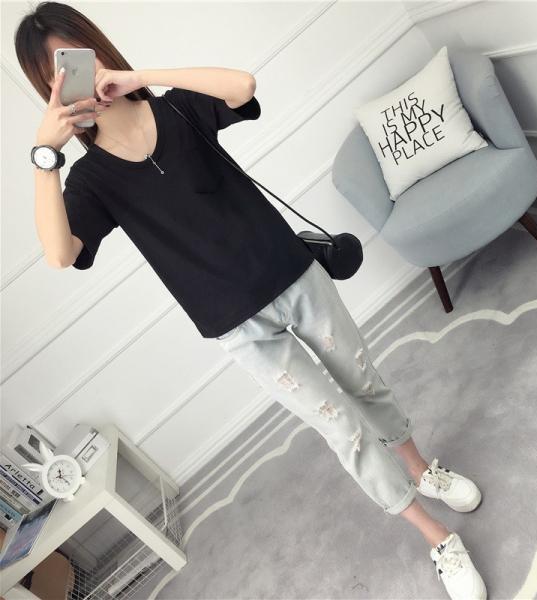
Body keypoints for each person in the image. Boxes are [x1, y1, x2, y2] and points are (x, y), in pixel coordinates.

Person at [16, 3, 486, 598]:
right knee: (341, 427)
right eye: (54, 78)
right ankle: (435, 535)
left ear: (97, 50)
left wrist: (138, 78)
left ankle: (423, 470)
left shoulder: (177, 109)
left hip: (293, 273)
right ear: (49, 93)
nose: (72, 81)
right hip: (236, 325)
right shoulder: (89, 182)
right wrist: (45, 155)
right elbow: (60, 254)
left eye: (74, 61)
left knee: (364, 383)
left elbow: (242, 86)